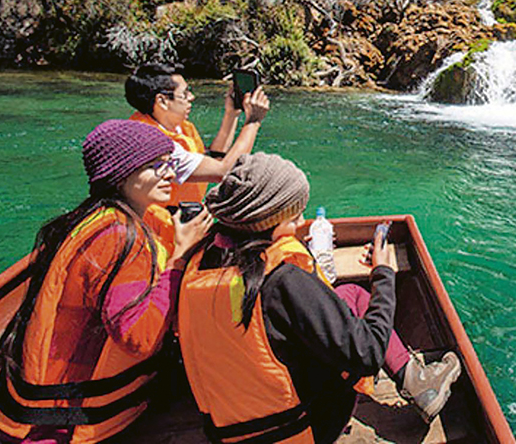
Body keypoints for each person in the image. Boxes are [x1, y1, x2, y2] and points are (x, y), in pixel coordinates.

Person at [177, 153, 462, 444]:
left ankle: (413, 378)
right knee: (356, 324)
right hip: (298, 429)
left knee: (349, 294)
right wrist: (383, 273)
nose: (302, 220)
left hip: (229, 429)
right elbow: (368, 353)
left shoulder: (200, 261)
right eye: (294, 215)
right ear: (271, 219)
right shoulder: (282, 283)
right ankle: (416, 381)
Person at [0, 120, 213, 444]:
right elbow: (139, 337)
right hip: (61, 422)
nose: (170, 174)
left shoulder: (93, 216)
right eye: (155, 166)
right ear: (121, 174)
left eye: (168, 163)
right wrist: (180, 259)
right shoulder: (119, 239)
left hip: (31, 407)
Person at [124, 62, 270, 207]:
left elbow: (214, 159)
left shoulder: (179, 127)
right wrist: (253, 121)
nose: (191, 97)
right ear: (162, 101)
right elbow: (223, 171)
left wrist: (231, 115)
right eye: (184, 94)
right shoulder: (153, 142)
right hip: (162, 220)